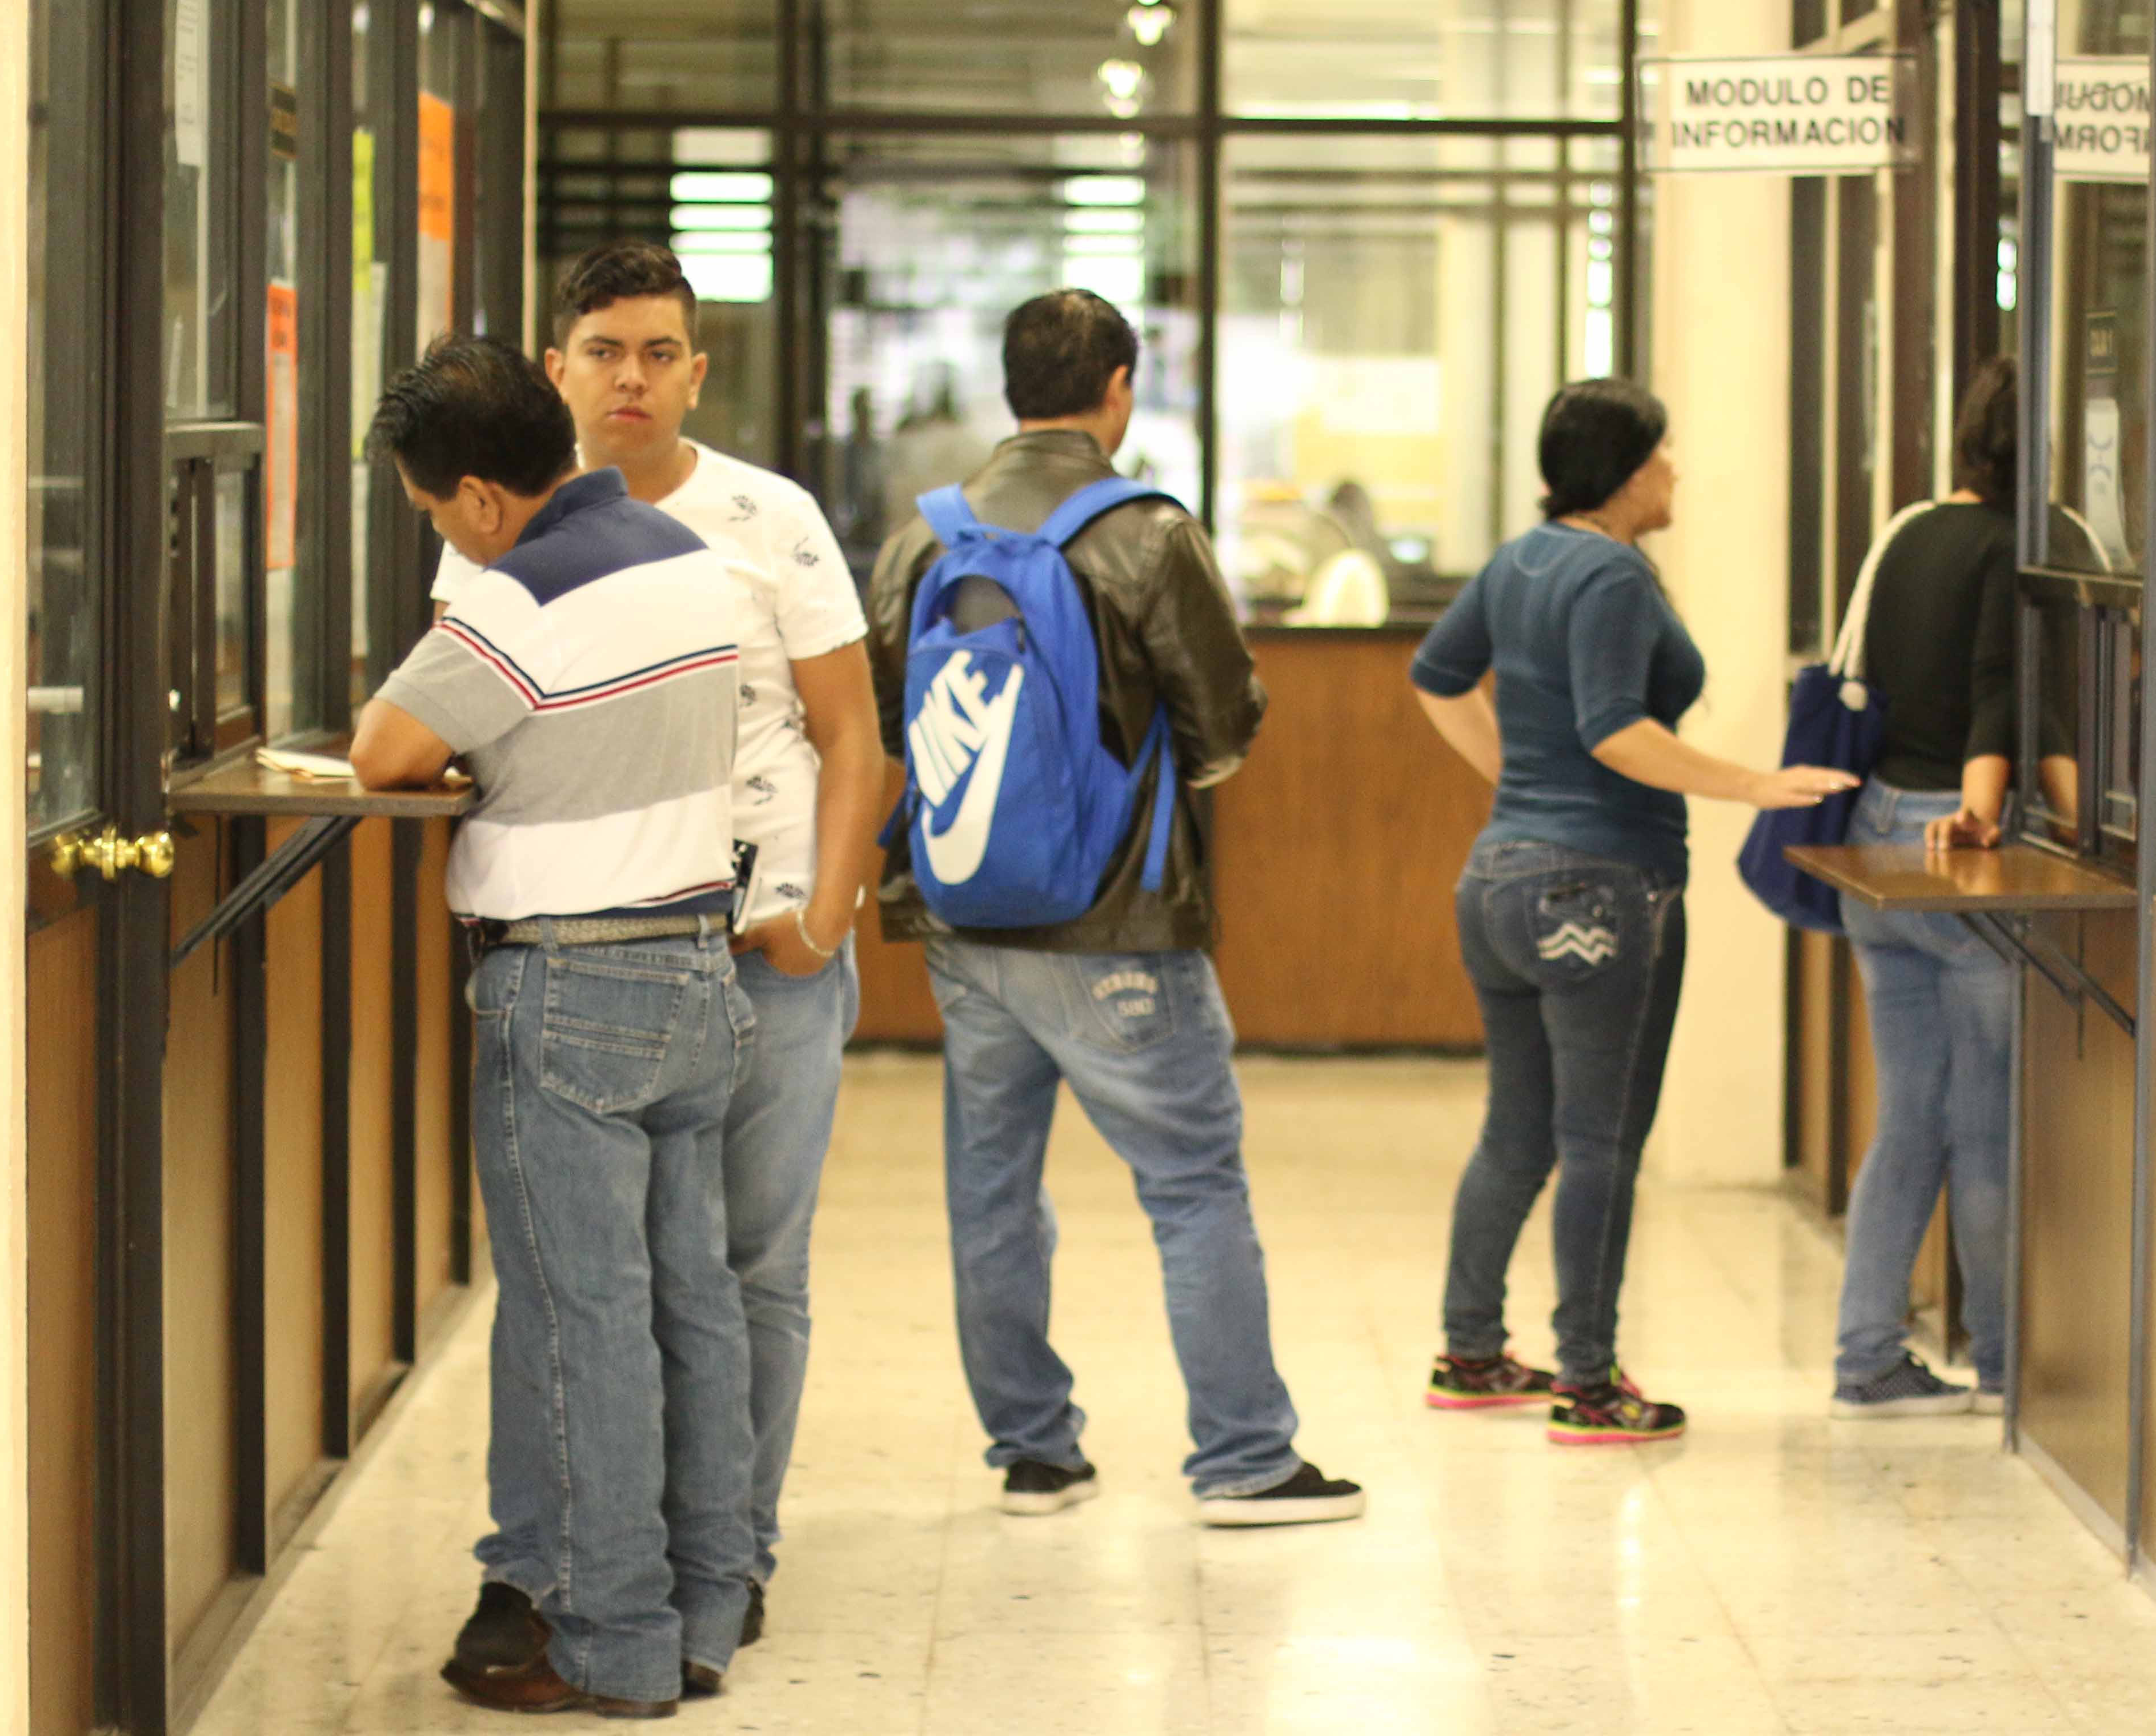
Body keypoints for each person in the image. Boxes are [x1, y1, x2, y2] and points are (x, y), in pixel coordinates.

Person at [428, 244, 887, 1662]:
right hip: (596, 945)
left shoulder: (769, 518)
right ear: (557, 368)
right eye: (603, 351)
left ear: (696, 371)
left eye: (658, 353)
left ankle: (727, 1560)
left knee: (745, 1268)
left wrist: (823, 916)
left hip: (760, 948)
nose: (629, 377)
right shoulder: (497, 523)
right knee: (575, 1281)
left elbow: (853, 736)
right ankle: (548, 1566)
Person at [864, 287, 1365, 1526]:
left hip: (964, 922)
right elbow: (1226, 723)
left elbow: (892, 722)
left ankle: (1035, 1454)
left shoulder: (921, 538)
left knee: (992, 1189)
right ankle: (1246, 1459)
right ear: (1119, 389)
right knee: (1193, 1184)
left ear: (1011, 388)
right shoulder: (1146, 532)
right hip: (1115, 927)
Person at [347, 340, 754, 1716]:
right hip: (695, 970)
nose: (448, 538)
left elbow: (384, 751)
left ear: (478, 496)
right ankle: (705, 1610)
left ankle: (612, 1645)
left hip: (570, 990)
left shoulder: (523, 594)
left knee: (582, 1325)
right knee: (689, 1308)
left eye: (433, 512)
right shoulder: (686, 558)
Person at [1409, 379, 1856, 1444]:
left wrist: (1518, 786)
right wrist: (1754, 786)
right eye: (1661, 453)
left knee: (1519, 1131)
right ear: (1622, 469)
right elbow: (1613, 731)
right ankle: (1589, 1384)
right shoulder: (1609, 574)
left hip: (1500, 880)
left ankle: (1471, 1353)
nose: (1675, 471)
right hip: (1600, 887)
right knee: (1601, 1141)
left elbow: (1437, 678)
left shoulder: (1519, 561)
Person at [1826, 355, 2025, 1420]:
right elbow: (1998, 691)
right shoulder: (2013, 546)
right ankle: (2000, 1363)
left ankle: (1866, 1356)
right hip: (1954, 836)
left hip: (1874, 838)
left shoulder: (1904, 532)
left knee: (1909, 1115)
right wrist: (1984, 810)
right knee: (1984, 1122)